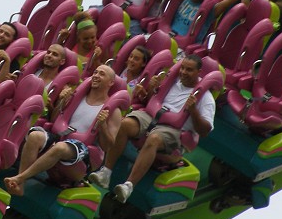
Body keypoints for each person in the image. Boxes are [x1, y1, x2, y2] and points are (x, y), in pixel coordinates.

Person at [89, 55, 215, 204]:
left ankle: (128, 186)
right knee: (125, 124)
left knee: (154, 138)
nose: (183, 72)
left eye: (189, 70)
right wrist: (152, 89)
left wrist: (193, 110)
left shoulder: (205, 98)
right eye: (182, 68)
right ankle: (106, 172)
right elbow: (151, 102)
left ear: (198, 72)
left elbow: (205, 130)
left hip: (174, 129)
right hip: (152, 117)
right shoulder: (172, 81)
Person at [3, 65, 122, 197]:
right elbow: (55, 121)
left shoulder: (113, 112)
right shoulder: (77, 96)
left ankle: (20, 178)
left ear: (111, 82)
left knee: (60, 147)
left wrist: (103, 124)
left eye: (102, 74)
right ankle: (20, 187)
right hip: (63, 139)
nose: (96, 76)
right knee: (35, 136)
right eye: (95, 72)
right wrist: (61, 102)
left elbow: (108, 146)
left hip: (85, 154)